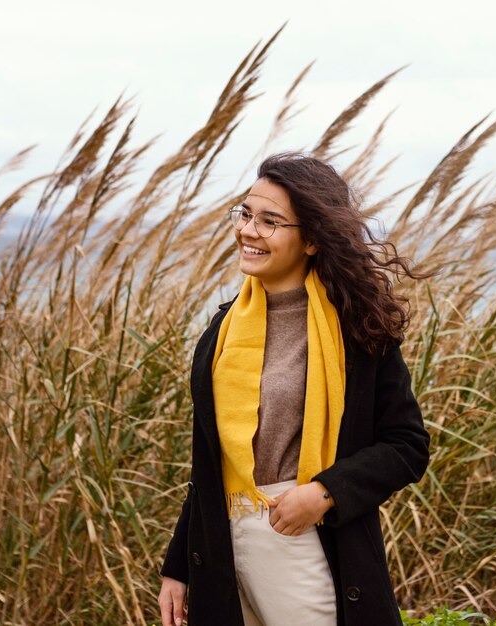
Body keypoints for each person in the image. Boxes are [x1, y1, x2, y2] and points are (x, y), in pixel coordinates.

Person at [157, 151, 430, 626]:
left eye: (269, 221)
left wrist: (326, 492)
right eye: (244, 213)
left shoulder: (357, 332)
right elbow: (208, 464)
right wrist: (178, 567)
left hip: (303, 534)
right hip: (221, 547)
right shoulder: (221, 331)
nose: (247, 230)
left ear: (310, 240)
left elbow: (407, 445)